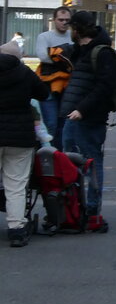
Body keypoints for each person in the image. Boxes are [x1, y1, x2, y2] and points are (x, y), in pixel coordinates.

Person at [60, 10, 115, 232]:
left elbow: (104, 86)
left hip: (90, 117)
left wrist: (82, 110)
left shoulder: (102, 52)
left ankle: (93, 211)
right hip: (73, 115)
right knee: (68, 161)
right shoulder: (80, 50)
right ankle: (72, 209)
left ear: (78, 29)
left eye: (71, 27)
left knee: (92, 162)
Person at [0, 41, 50, 247]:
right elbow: (44, 94)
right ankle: (16, 229)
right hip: (20, 137)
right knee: (16, 185)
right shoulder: (24, 73)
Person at [36, 7, 74, 147]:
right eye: (61, 20)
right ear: (54, 20)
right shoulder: (44, 37)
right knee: (50, 123)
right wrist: (66, 60)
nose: (64, 22)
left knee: (64, 124)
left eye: (67, 20)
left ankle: (60, 154)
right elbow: (43, 57)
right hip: (48, 85)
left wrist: (56, 55)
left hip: (68, 86)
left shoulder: (73, 36)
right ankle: (48, 153)